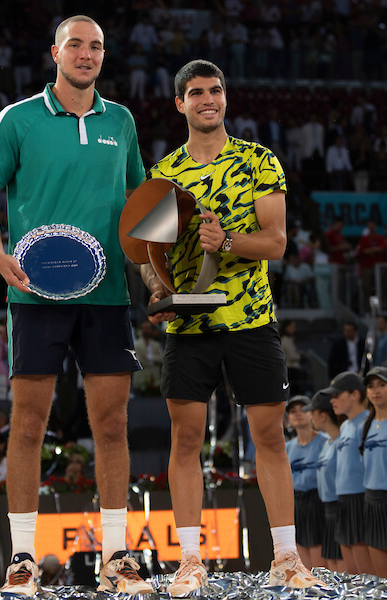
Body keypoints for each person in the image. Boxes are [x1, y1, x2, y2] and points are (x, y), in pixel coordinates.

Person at [0, 15, 152, 596]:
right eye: (76, 44)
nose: (86, 54)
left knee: (113, 426)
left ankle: (117, 559)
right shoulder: (18, 119)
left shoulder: (121, 121)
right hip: (34, 293)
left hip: (108, 294)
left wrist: (154, 273)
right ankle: (22, 561)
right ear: (55, 52)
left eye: (96, 46)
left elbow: (139, 203)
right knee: (27, 426)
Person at [141, 59, 323, 592]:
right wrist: (159, 290)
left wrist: (227, 242)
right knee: (185, 440)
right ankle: (190, 561)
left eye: (215, 90)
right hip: (189, 327)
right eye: (197, 92)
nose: (208, 99)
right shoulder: (164, 175)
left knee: (269, 436)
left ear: (225, 97)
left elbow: (276, 242)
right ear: (180, 104)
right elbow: (152, 255)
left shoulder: (259, 160)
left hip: (250, 318)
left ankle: (286, 557)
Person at [322, 371, 375, 575]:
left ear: (354, 394)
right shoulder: (344, 426)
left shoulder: (368, 422)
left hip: (361, 499)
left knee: (368, 575)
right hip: (342, 500)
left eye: (336, 395)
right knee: (351, 575)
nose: (332, 400)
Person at [302, 390, 346, 573]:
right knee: (331, 570)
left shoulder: (342, 441)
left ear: (322, 415)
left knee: (345, 572)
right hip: (327, 510)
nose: (310, 417)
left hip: (341, 508)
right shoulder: (328, 443)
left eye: (312, 413)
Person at [285, 395, 327, 569]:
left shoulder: (325, 441)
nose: (298, 413)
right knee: (300, 560)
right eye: (292, 411)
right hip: (295, 503)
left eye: (303, 409)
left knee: (320, 560)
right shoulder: (287, 448)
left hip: (318, 502)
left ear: (312, 414)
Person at [359, 366, 387, 578]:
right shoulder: (366, 425)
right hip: (371, 500)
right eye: (371, 386)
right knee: (379, 579)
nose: (375, 390)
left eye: (382, 385)